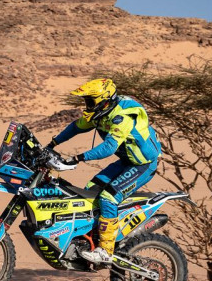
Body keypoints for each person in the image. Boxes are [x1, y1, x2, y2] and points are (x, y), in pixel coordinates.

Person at [47, 78, 161, 264]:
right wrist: (53, 143)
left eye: (90, 101)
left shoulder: (122, 117)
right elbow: (76, 127)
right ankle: (89, 241)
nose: (87, 105)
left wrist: (78, 158)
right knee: (90, 192)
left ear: (105, 100)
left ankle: (105, 251)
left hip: (142, 165)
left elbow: (108, 147)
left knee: (108, 197)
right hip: (126, 161)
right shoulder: (101, 113)